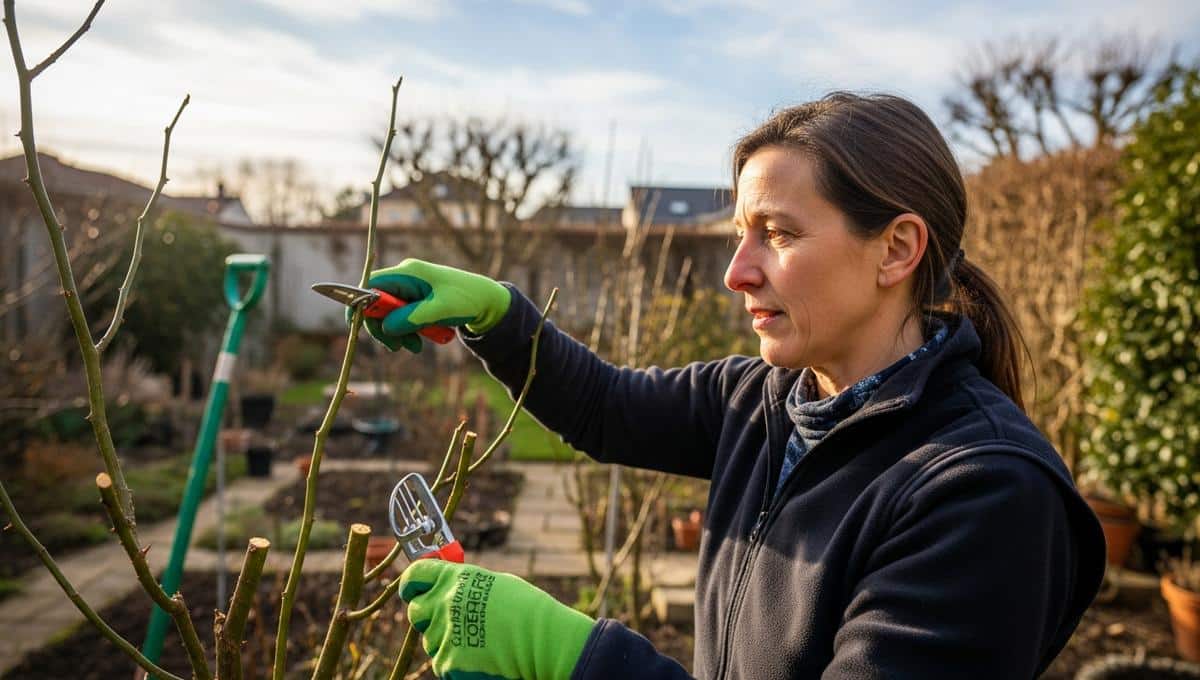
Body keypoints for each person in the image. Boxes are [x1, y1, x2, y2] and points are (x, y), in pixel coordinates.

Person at [360, 92, 1106, 679]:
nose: (736, 272)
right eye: (740, 234)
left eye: (777, 234)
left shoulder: (985, 494)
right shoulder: (767, 400)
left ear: (897, 248)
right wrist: (496, 315)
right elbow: (605, 408)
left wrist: (578, 660)